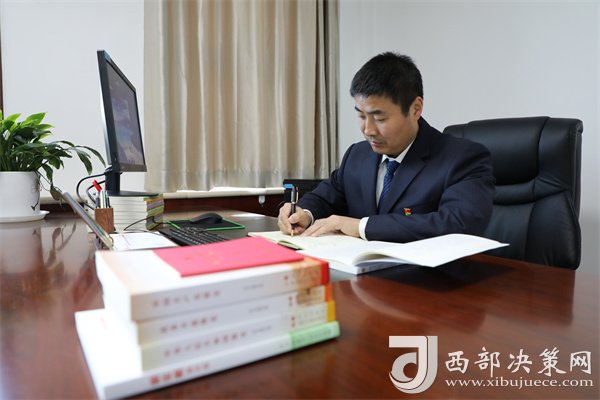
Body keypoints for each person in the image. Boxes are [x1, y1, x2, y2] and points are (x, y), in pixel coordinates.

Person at [278, 52, 495, 242]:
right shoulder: (357, 155)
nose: (368, 130)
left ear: (415, 109)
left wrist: (361, 227)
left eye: (380, 118)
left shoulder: (462, 158)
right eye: (361, 116)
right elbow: (326, 196)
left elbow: (458, 224)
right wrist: (304, 213)